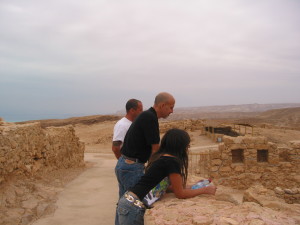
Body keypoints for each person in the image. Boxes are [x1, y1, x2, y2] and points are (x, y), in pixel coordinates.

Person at [116, 128, 217, 225]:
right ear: (180, 146)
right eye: (187, 146)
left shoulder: (162, 158)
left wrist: (193, 186)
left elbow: (167, 187)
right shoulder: (172, 162)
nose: (187, 148)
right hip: (133, 206)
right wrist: (205, 190)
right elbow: (180, 194)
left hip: (128, 203)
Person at [115, 92, 175, 199]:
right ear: (162, 105)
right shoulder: (150, 118)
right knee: (134, 204)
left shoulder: (147, 115)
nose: (172, 111)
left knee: (124, 204)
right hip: (132, 168)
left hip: (125, 166)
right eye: (171, 107)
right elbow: (155, 150)